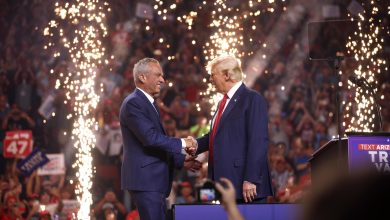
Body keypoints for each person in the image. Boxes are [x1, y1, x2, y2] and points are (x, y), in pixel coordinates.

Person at [119, 58, 199, 220]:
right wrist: (184, 143)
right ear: (142, 77)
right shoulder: (134, 103)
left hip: (152, 180)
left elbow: (155, 144)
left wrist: (181, 161)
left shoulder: (149, 103)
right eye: (158, 75)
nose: (162, 80)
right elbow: (151, 139)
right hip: (146, 180)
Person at [195, 54, 273, 203]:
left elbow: (258, 141)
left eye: (213, 75)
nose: (210, 80)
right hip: (222, 183)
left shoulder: (252, 99)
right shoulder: (222, 103)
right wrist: (193, 146)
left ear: (227, 75)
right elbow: (215, 136)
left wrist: (251, 179)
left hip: (245, 185)